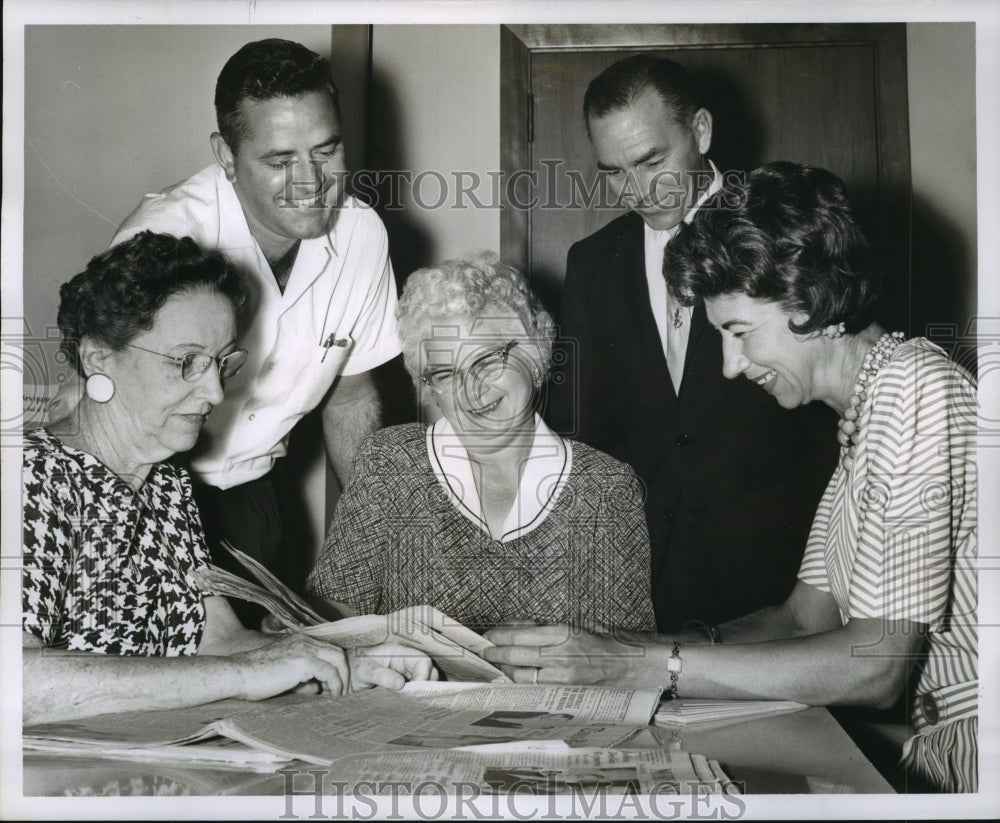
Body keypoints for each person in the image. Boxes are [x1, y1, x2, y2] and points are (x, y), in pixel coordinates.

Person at [485, 163, 978, 793]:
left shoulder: (913, 389)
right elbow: (804, 618)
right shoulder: (867, 412)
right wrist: (607, 651)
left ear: (810, 300)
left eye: (740, 333)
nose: (731, 366)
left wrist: (641, 664)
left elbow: (875, 663)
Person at [22, 232, 433, 726]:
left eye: (222, 363)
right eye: (186, 362)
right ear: (98, 359)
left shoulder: (165, 484)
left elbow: (218, 640)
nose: (215, 391)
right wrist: (242, 677)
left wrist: (344, 662)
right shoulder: (30, 478)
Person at [50, 39, 401, 598]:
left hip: (261, 497)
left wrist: (373, 545)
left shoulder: (362, 233)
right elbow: (94, 398)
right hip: (154, 493)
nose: (310, 182)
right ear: (225, 155)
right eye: (280, 161)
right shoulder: (167, 235)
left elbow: (352, 398)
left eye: (326, 151)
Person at [546, 54, 837, 631]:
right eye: (613, 171)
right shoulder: (592, 263)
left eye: (653, 161)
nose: (636, 190)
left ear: (700, 131)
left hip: (785, 584)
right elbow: (574, 431)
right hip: (641, 587)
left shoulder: (790, 226)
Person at [305, 252, 656, 634]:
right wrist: (300, 624)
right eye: (446, 373)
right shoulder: (390, 464)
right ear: (429, 389)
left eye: (487, 361)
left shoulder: (606, 488)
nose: (472, 392)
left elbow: (626, 657)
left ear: (534, 354)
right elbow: (335, 609)